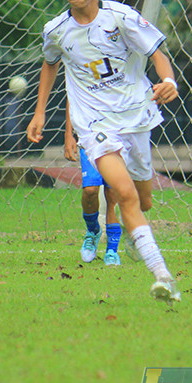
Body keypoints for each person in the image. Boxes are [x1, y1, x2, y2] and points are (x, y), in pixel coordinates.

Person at [27, 0, 180, 302]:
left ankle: (133, 233)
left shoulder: (120, 17)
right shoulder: (56, 30)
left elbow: (156, 53)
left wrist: (168, 81)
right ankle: (162, 275)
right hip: (94, 124)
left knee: (143, 200)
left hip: (135, 117)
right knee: (122, 193)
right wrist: (40, 112)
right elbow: (49, 64)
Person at [64, 106, 123, 265]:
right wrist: (69, 134)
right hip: (89, 136)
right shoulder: (82, 81)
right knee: (90, 190)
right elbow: (72, 95)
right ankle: (93, 230)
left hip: (117, 135)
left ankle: (112, 251)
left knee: (112, 195)